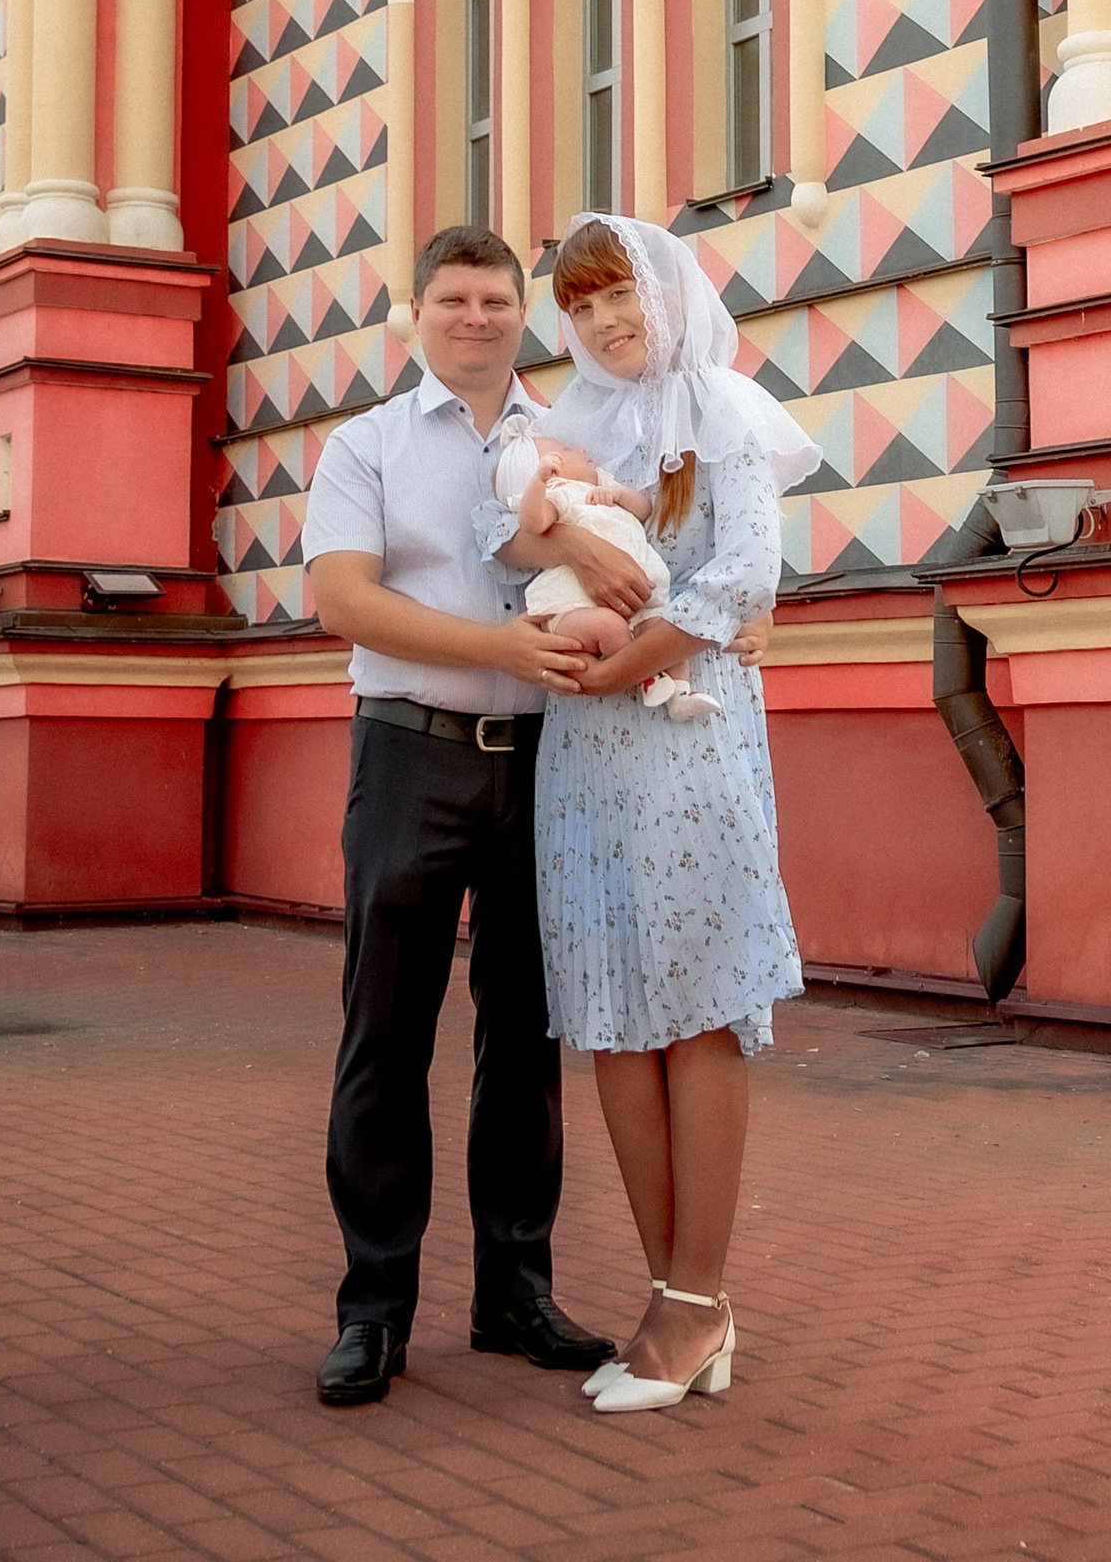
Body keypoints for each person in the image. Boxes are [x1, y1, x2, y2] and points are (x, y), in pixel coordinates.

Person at [300, 225, 659, 1409]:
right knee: (384, 1035)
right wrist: (497, 644)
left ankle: (514, 1291)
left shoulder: (579, 433)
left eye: (496, 297)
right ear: (417, 313)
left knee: (526, 1040)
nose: (476, 315)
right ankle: (373, 1307)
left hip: (550, 764)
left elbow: (650, 549)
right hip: (411, 753)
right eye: (452, 297)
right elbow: (341, 597)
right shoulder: (369, 443)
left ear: (521, 312)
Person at [486, 213, 811, 1416]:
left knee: (697, 1008)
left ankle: (700, 1294)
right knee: (614, 1015)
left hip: (687, 729)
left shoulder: (720, 407)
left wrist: (626, 664)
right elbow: (499, 542)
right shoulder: (561, 425)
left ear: (670, 291)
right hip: (581, 751)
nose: (606, 321)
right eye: (582, 306)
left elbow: (743, 574)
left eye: (621, 294)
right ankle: (674, 1291)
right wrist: (560, 523)